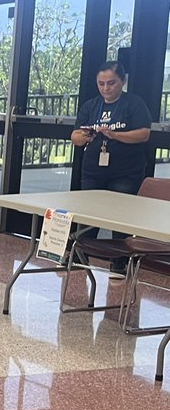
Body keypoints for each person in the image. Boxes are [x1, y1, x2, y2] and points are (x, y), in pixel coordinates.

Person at [71, 60, 153, 273]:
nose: (106, 88)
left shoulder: (133, 103)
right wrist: (85, 135)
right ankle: (81, 257)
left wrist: (115, 135)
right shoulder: (91, 105)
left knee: (120, 216)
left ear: (123, 81)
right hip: (93, 170)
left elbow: (144, 133)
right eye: (101, 84)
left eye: (111, 83)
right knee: (88, 214)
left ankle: (119, 262)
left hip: (125, 170)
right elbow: (75, 137)